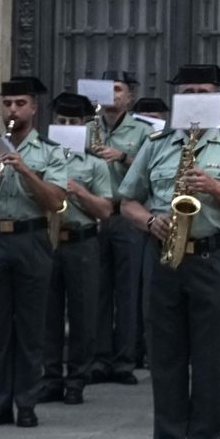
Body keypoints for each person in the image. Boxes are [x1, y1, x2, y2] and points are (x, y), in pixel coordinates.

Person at [118, 64, 220, 439]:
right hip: (164, 255)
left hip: (213, 257)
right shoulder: (157, 143)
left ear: (217, 97)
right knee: (164, 357)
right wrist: (149, 221)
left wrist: (216, 188)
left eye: (203, 90)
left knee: (209, 356)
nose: (196, 97)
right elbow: (127, 200)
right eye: (188, 91)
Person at [0, 77, 69, 429]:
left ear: (33, 108)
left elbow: (56, 202)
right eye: (8, 103)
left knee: (29, 324)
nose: (13, 110)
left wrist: (25, 170)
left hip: (32, 238)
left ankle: (26, 401)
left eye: (20, 103)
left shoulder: (50, 151)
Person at [37, 93, 116, 406]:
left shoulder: (94, 164)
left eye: (72, 122)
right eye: (62, 121)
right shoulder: (42, 156)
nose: (66, 125)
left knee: (83, 314)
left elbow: (105, 211)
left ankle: (77, 379)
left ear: (83, 126)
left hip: (81, 241)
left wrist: (79, 190)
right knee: (47, 314)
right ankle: (51, 377)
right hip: (47, 240)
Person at [89, 71, 153, 387]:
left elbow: (153, 167)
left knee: (128, 291)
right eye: (108, 89)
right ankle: (99, 358)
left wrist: (124, 156)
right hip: (95, 215)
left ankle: (125, 360)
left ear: (129, 97)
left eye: (119, 90)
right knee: (98, 290)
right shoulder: (88, 129)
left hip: (127, 215)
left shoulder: (143, 130)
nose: (113, 95)